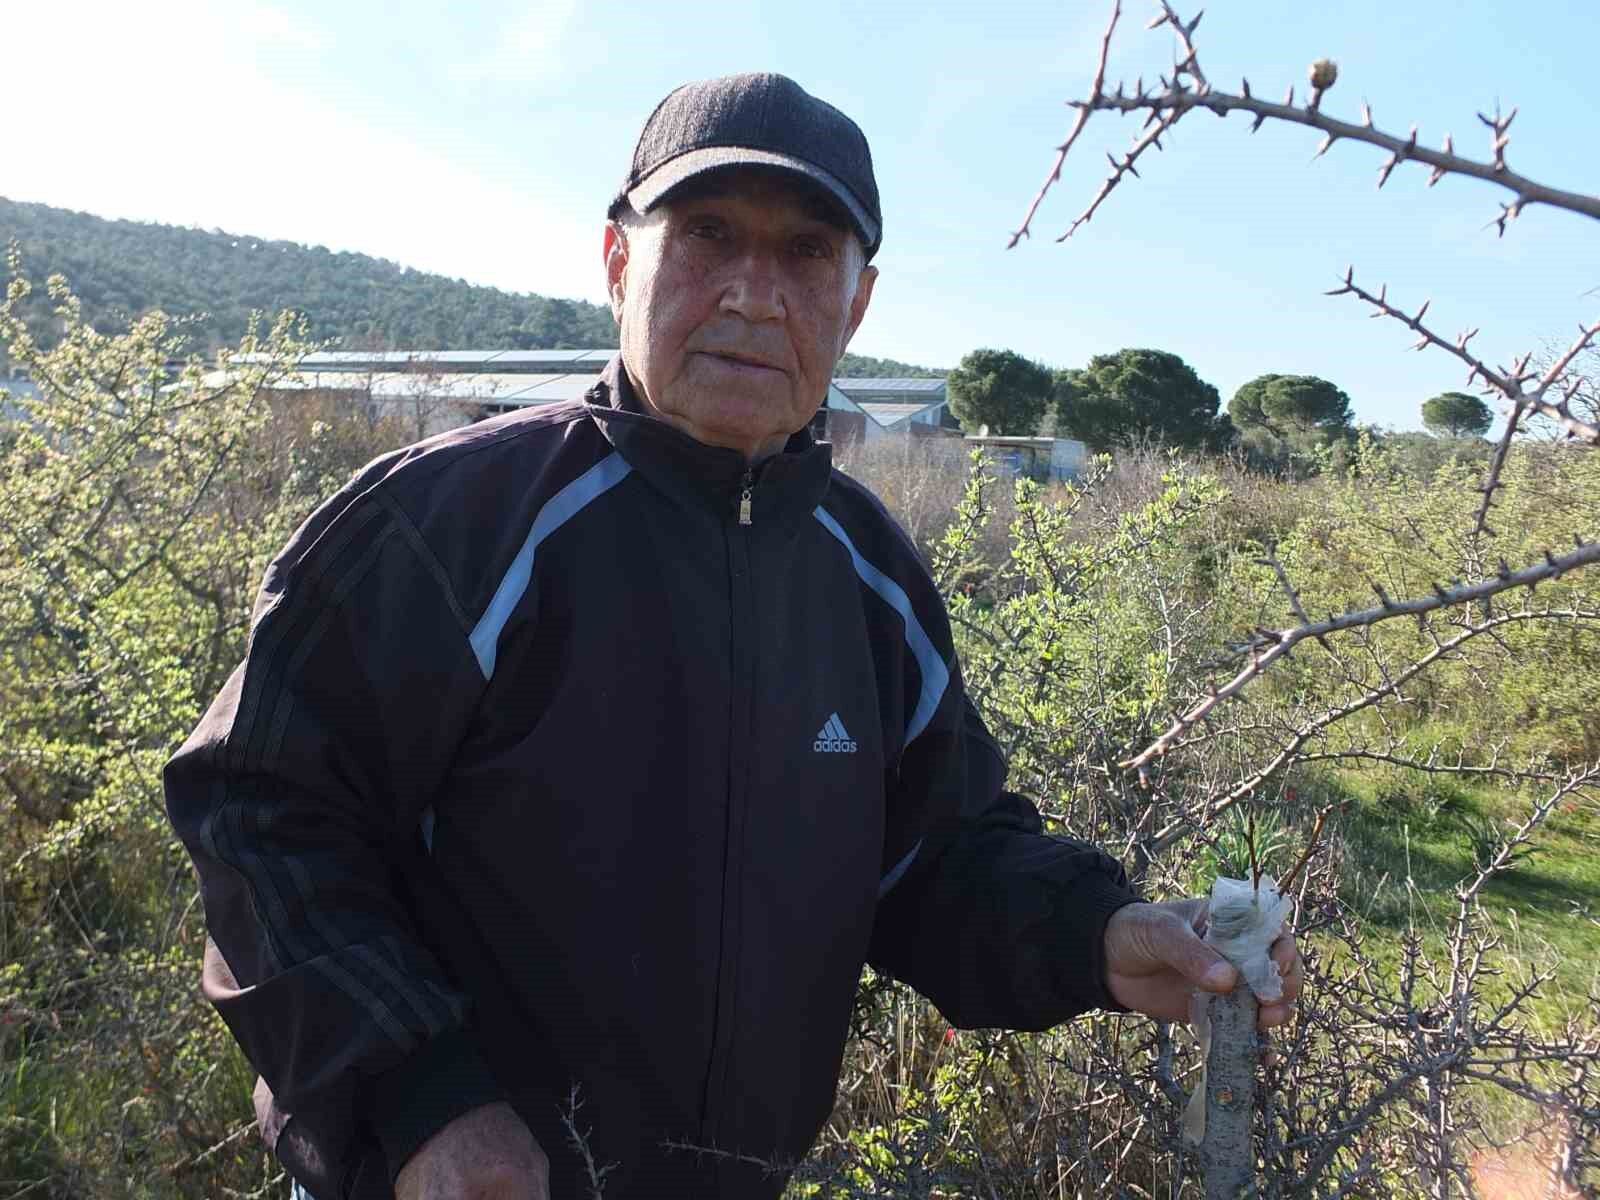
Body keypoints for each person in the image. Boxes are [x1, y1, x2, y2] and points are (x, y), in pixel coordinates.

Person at [164, 72, 1301, 1200]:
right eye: (708, 234)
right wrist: (423, 1104)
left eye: (806, 252)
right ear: (619, 263)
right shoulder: (448, 526)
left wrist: (1097, 932)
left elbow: (936, 859)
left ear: (856, 305)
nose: (756, 296)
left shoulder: (869, 575)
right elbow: (260, 808)